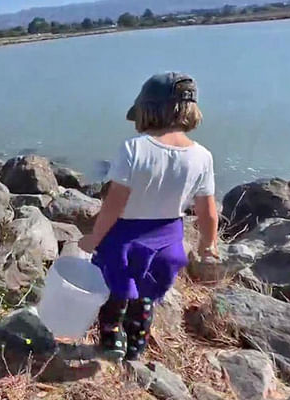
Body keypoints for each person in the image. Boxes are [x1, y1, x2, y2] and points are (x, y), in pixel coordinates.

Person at [78, 72, 219, 361]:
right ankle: (135, 347)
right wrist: (208, 243)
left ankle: (111, 341)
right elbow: (207, 211)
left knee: (115, 292)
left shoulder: (133, 149)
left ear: (147, 109)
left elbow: (114, 206)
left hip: (124, 239)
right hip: (168, 241)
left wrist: (94, 238)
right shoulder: (202, 156)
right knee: (145, 297)